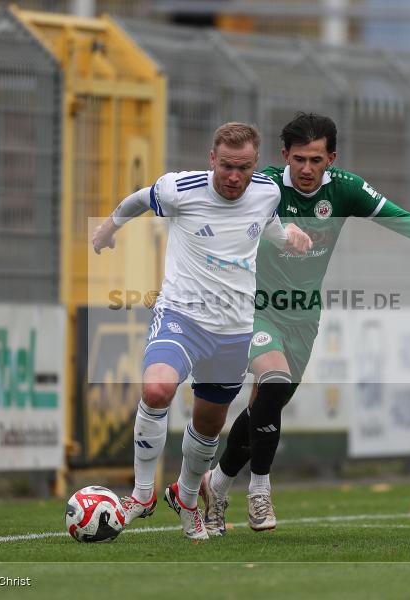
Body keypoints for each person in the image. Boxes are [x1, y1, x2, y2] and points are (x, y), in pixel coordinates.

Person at [199, 113, 410, 535]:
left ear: (331, 158)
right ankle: (259, 490)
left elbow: (395, 216)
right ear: (284, 157)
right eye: (298, 160)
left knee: (267, 404)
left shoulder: (345, 189)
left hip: (303, 315)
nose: (307, 169)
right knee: (271, 382)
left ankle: (216, 484)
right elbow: (217, 204)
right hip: (253, 307)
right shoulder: (264, 186)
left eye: (315, 159)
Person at [91, 122, 312, 540]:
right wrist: (110, 226)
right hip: (182, 316)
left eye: (243, 168)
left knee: (208, 425)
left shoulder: (268, 191)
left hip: (233, 329)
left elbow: (271, 228)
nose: (234, 177)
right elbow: (139, 199)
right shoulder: (180, 189)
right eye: (226, 166)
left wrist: (289, 237)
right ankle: (141, 494)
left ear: (254, 165)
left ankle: (187, 498)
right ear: (213, 159)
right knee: (156, 389)